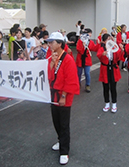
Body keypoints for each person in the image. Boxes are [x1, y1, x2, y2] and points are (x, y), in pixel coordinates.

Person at [46, 32, 80, 165]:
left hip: (63, 95)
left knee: (64, 123)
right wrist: (52, 63)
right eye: (48, 42)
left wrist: (64, 96)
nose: (49, 44)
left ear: (60, 43)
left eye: (52, 42)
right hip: (53, 94)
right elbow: (48, 75)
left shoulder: (68, 59)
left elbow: (70, 79)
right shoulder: (51, 56)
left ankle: (64, 151)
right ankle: (60, 141)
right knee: (56, 121)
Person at [97, 34, 124, 113]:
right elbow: (99, 56)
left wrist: (122, 50)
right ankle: (107, 104)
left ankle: (114, 104)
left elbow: (119, 57)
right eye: (107, 40)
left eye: (110, 39)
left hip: (113, 69)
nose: (109, 41)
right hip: (105, 69)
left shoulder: (114, 48)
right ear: (104, 41)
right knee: (105, 88)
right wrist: (103, 54)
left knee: (113, 88)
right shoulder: (102, 49)